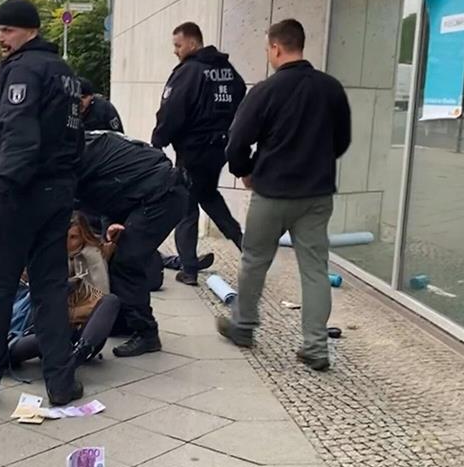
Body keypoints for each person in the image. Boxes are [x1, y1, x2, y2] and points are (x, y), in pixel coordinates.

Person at [0, 0, 84, 406]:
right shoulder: (64, 73)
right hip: (55, 194)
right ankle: (61, 384)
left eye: (7, 30)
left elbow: (20, 136)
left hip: (21, 194)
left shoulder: (24, 72)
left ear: (29, 30)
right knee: (49, 289)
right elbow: (74, 138)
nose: (1, 38)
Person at [217, 19, 351, 371]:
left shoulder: (265, 90)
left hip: (272, 192)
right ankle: (316, 348)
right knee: (315, 270)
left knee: (254, 260)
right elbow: (342, 141)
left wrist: (244, 171)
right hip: (317, 194)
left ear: (276, 48)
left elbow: (236, 141)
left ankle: (243, 327)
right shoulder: (331, 89)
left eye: (268, 48)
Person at [77, 131, 188, 357]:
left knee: (126, 261)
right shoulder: (86, 142)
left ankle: (146, 333)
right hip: (140, 197)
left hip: (161, 197)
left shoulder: (77, 155)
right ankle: (122, 321)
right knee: (115, 253)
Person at [151, 21, 246, 286]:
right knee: (208, 195)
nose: (176, 51)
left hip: (193, 149)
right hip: (219, 148)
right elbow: (241, 98)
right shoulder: (226, 70)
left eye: (178, 45)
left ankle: (189, 269)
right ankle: (244, 245)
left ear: (193, 44)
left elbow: (172, 109)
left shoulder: (189, 72)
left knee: (186, 204)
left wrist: (159, 138)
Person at [7, 214, 121, 366]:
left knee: (110, 301)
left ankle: (77, 355)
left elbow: (100, 298)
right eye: (63, 237)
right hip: (44, 328)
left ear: (83, 237)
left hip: (80, 331)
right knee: (33, 341)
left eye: (73, 237)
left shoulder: (91, 257)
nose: (67, 243)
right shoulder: (48, 253)